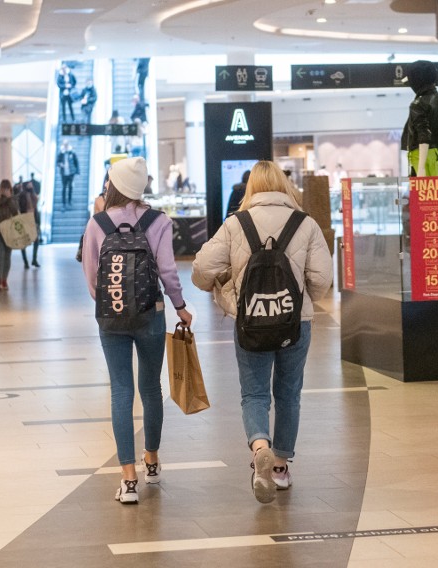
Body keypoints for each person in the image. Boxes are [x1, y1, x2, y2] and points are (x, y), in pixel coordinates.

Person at [191, 160, 333, 504]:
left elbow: (200, 269)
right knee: (289, 394)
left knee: (254, 394)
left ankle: (259, 448)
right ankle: (281, 468)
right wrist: (301, 300)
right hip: (293, 324)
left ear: (252, 187)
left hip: (251, 322)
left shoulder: (236, 223)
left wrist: (223, 289)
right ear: (284, 185)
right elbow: (322, 279)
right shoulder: (306, 223)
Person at [81, 157, 193, 504]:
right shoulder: (157, 220)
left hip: (111, 319)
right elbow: (168, 271)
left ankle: (128, 479)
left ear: (112, 184)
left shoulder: (97, 222)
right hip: (151, 315)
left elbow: (91, 274)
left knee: (121, 392)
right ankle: (153, 460)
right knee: (150, 388)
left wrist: (110, 303)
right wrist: (180, 306)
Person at [402, 60, 438, 177]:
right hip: (436, 157)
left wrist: (421, 168)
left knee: (423, 194)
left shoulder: (418, 104)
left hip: (420, 157)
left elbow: (423, 135)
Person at [15, 179, 38, 269]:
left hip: (33, 220)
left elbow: (36, 204)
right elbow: (19, 206)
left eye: (31, 185)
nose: (30, 186)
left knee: (36, 240)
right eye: (29, 185)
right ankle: (25, 262)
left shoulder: (33, 194)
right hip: (24, 220)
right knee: (23, 241)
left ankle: (34, 259)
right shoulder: (21, 195)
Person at [56, 141, 79, 210]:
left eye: (66, 145)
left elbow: (76, 162)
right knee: (64, 188)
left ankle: (69, 200)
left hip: (71, 173)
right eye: (64, 145)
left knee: (70, 187)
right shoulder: (61, 153)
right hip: (64, 174)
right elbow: (57, 162)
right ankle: (64, 203)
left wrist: (77, 171)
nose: (65, 146)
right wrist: (60, 164)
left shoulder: (71, 152)